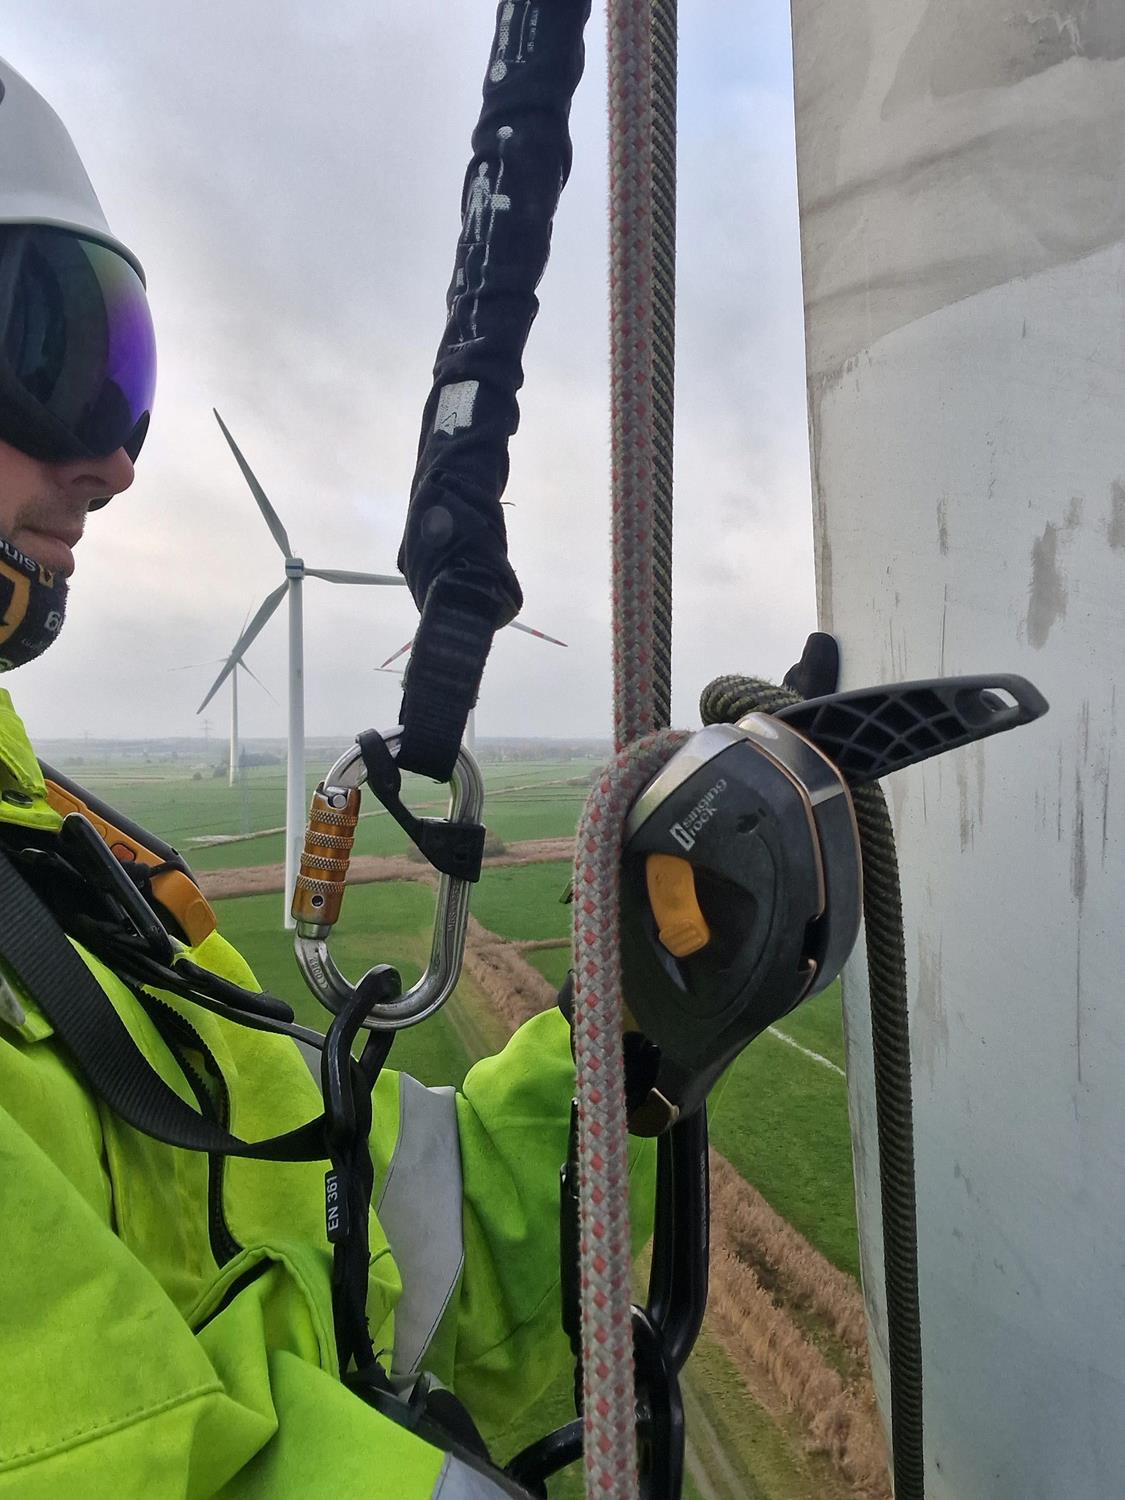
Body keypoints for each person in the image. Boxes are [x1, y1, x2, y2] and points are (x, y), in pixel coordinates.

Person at [0, 56, 652, 1498]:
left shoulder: (76, 880)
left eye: (125, 378)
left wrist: (628, 1035)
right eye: (44, 348)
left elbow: (385, 1234)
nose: (113, 461)